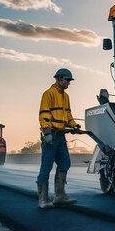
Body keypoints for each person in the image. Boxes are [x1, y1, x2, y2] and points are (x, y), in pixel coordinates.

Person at [37, 68, 80, 208]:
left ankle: (59, 196)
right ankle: (43, 199)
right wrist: (47, 132)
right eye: (68, 80)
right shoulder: (48, 94)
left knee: (65, 163)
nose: (69, 83)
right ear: (60, 78)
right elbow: (43, 114)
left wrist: (74, 125)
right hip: (51, 136)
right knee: (46, 166)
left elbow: (68, 115)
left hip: (61, 137)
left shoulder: (65, 96)